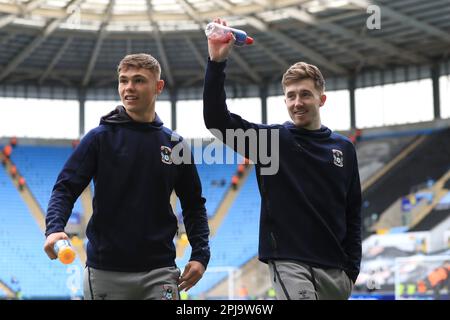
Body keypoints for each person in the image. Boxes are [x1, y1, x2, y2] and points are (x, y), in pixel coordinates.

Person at [203, 18, 362, 300]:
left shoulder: (344, 149)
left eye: (305, 95)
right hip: (291, 263)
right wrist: (217, 63)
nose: (297, 102)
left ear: (321, 99)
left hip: (336, 272)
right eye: (290, 96)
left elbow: (353, 212)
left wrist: (352, 270)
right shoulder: (271, 142)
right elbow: (217, 121)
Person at [44, 53, 210, 300]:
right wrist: (54, 228)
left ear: (159, 87)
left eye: (139, 80)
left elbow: (194, 205)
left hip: (160, 271)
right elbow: (65, 188)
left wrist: (200, 255)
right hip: (106, 271)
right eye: (123, 80)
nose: (129, 88)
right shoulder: (99, 138)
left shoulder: (175, 145)